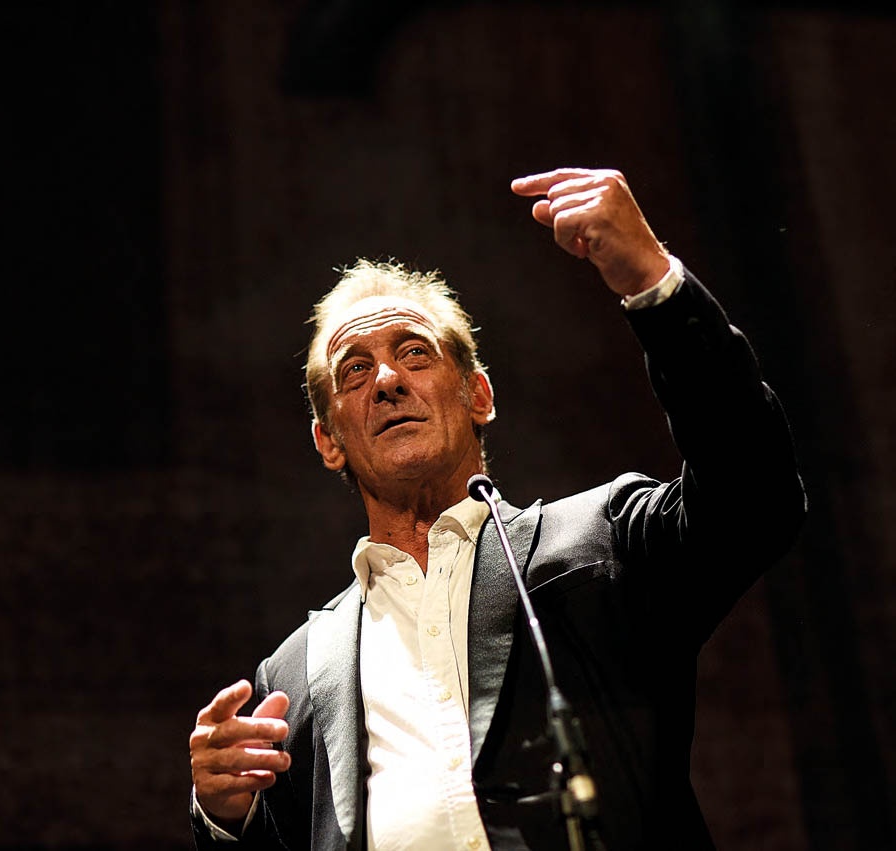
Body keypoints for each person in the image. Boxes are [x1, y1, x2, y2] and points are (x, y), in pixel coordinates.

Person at [188, 168, 806, 850]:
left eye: (414, 353)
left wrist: (653, 284)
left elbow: (756, 497)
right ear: (328, 441)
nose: (387, 380)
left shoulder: (606, 541)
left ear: (478, 395)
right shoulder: (294, 673)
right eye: (355, 371)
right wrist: (224, 817)